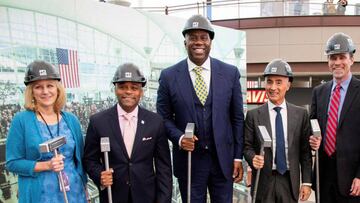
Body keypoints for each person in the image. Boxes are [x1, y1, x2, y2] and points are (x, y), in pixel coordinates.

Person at [156, 14, 244, 202]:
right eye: (193, 37)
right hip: (189, 162)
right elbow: (163, 117)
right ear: (185, 41)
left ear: (210, 41)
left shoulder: (229, 74)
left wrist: (238, 157)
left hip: (223, 162)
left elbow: (237, 118)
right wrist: (179, 138)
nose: (198, 42)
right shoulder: (169, 76)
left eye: (203, 37)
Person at [83, 63, 172, 203]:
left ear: (141, 92)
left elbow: (164, 167)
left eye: (134, 88)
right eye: (123, 87)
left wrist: (164, 199)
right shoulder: (98, 122)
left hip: (147, 197)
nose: (128, 92)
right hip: (113, 196)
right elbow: (89, 159)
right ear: (115, 89)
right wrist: (99, 175)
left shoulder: (155, 122)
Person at [5, 60, 88, 203]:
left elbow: (79, 160)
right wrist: (46, 165)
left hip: (75, 192)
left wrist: (84, 186)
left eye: (50, 85)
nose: (45, 91)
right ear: (31, 91)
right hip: (41, 196)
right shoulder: (21, 121)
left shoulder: (71, 120)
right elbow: (12, 162)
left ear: (58, 89)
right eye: (38, 87)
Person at [243, 59, 312, 203]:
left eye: (278, 82)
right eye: (269, 81)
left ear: (288, 85)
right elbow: (246, 146)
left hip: (289, 181)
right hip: (263, 182)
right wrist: (252, 158)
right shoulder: (253, 115)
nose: (273, 87)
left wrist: (306, 182)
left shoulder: (301, 115)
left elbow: (305, 152)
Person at [309, 32, 360, 202]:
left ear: (351, 59)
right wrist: (313, 138)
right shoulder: (319, 92)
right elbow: (313, 124)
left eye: (342, 57)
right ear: (328, 62)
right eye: (332, 58)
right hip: (323, 176)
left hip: (352, 180)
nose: (337, 62)